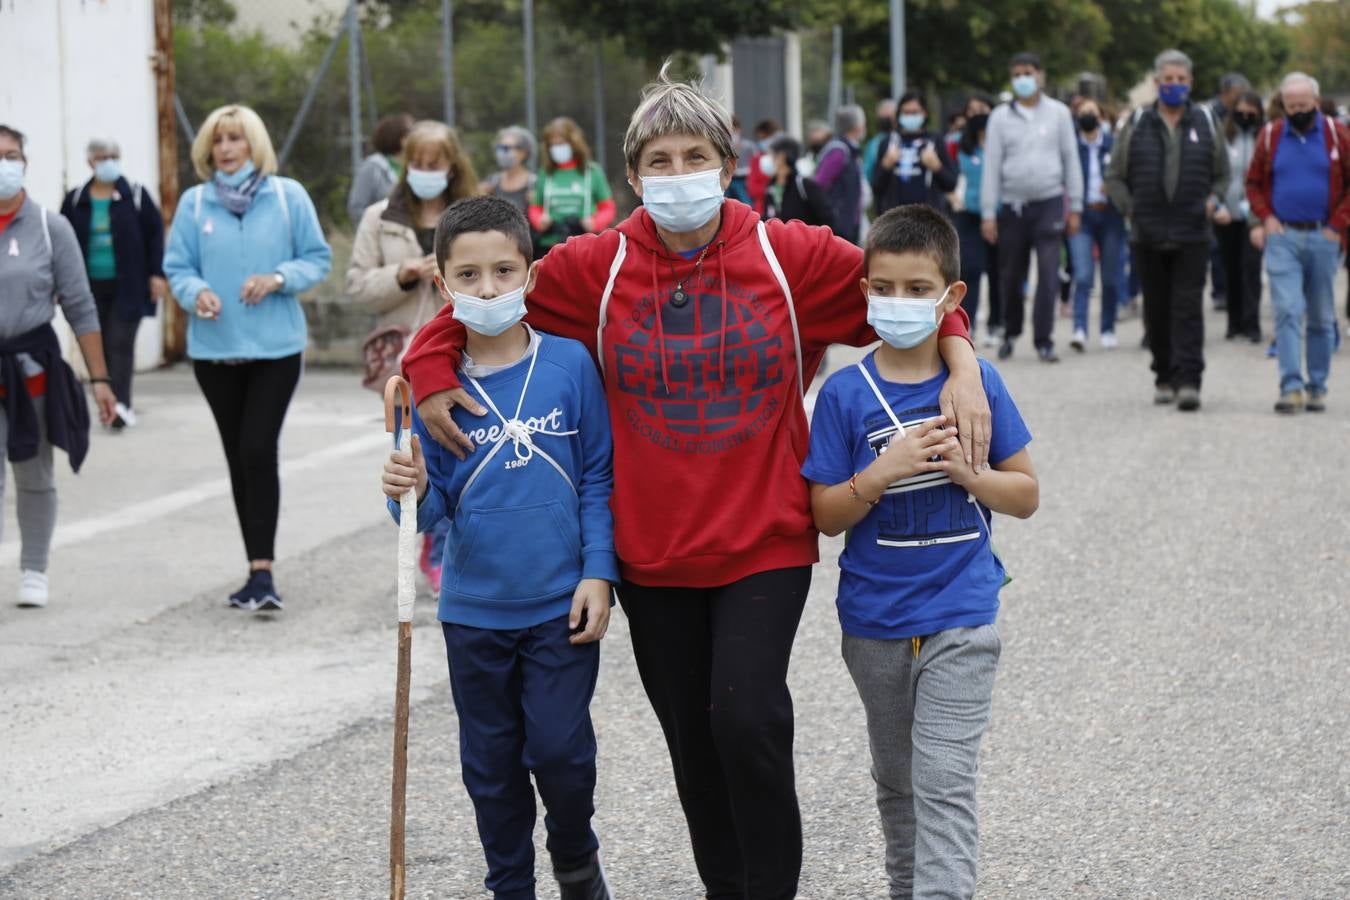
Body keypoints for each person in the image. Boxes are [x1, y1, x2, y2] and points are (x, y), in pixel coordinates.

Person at [400, 64, 993, 899]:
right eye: (661, 161)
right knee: (693, 741)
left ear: (728, 161)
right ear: (633, 177)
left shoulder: (790, 254)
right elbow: (482, 302)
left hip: (766, 538)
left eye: (695, 156)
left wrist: (961, 359)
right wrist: (427, 372)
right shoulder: (594, 267)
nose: (680, 177)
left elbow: (907, 289)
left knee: (747, 719)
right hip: (653, 551)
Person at [381, 196, 616, 900]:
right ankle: (509, 883)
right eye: (471, 276)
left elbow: (599, 473)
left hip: (558, 607)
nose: (489, 289)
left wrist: (599, 571)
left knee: (561, 753)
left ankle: (575, 856)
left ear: (531, 276)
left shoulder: (571, 366)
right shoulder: (432, 394)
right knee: (489, 765)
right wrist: (407, 486)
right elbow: (424, 511)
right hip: (474, 612)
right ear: (445, 286)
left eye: (504, 271)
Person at [802, 205, 1038, 899]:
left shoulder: (978, 386)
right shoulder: (845, 394)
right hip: (874, 621)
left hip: (962, 613)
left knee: (943, 778)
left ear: (951, 296)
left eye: (915, 288)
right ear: (864, 291)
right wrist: (880, 473)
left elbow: (1024, 494)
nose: (896, 303)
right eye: (882, 288)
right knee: (899, 780)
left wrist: (972, 476)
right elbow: (824, 514)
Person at [163, 104, 332, 611]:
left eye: (236, 138)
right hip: (214, 354)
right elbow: (177, 267)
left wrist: (278, 278)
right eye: (219, 141)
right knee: (239, 458)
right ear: (208, 150)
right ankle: (255, 569)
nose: (228, 148)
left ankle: (264, 573)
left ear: (254, 143)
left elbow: (316, 258)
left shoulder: (287, 197)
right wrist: (196, 293)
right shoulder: (194, 206)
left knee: (258, 449)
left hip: (276, 350)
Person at [348, 121, 478, 590]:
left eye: (435, 163)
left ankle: (447, 552)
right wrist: (402, 274)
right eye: (417, 164)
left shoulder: (472, 214)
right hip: (405, 362)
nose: (426, 172)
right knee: (415, 453)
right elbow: (358, 285)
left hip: (463, 356)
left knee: (463, 451)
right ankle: (428, 534)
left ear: (452, 165)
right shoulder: (381, 218)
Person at [0, 124, 117, 608]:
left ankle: (34, 569)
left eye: (10, 154)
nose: (3, 164)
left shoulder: (52, 228)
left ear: (25, 162)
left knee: (33, 474)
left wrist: (101, 380)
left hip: (32, 372)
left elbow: (80, 306)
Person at [1106, 50, 1230, 412]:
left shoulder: (1206, 121)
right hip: (1147, 232)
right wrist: (1130, 207)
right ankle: (1164, 374)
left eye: (1181, 80)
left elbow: (1223, 172)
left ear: (1190, 83)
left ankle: (1189, 380)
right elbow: (1114, 175)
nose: (1174, 86)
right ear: (1157, 82)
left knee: (1188, 307)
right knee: (1157, 310)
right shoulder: (1138, 122)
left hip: (1193, 232)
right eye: (1168, 79)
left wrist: (1214, 198)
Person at [1247, 72, 1350, 414]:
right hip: (1283, 236)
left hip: (1324, 235)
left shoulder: (1338, 135)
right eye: (1291, 106)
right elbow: (1253, 183)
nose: (1298, 111)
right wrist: (1266, 217)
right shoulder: (1271, 135)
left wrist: (1338, 225)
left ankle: (1317, 384)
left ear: (1316, 103)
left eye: (1304, 105)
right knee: (1288, 310)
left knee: (1320, 315)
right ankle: (1290, 385)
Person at [981, 51, 1084, 363]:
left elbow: (1071, 159)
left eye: (1028, 73)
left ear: (1040, 76)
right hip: (1013, 207)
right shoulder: (1000, 116)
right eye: (1017, 74)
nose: (1022, 79)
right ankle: (1011, 333)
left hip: (1050, 202)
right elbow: (992, 165)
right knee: (1011, 274)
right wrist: (989, 212)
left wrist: (1075, 205)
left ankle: (1044, 339)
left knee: (1050, 273)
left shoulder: (1059, 113)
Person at [60, 136, 167, 428]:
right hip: (89, 285)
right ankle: (106, 400)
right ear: (90, 162)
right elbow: (61, 243)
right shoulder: (75, 199)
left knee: (121, 341)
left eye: (113, 156)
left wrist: (157, 274)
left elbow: (155, 235)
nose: (108, 162)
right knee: (101, 343)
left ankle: (121, 405)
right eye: (102, 157)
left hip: (128, 284)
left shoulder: (135, 194)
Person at [1068, 97, 1125, 351]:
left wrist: (1115, 190)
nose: (1086, 116)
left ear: (1101, 115)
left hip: (1111, 215)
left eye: (1091, 112)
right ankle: (1079, 328)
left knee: (1111, 276)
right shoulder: (1071, 147)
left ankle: (1108, 327)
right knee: (1082, 275)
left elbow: (1126, 175)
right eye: (1082, 113)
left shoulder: (1114, 145)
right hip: (1083, 215)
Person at [953, 94, 1002, 347]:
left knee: (998, 271)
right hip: (968, 215)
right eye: (972, 111)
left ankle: (996, 323)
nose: (978, 115)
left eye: (983, 109)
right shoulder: (958, 145)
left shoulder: (1001, 144)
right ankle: (966, 325)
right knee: (970, 269)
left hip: (998, 215)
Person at [1217, 91, 1265, 343]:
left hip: (1254, 216)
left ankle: (1251, 321)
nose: (1245, 116)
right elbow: (1215, 172)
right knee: (1231, 268)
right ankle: (1233, 321)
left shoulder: (1262, 137)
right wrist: (1218, 205)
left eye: (1251, 111)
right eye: (1241, 110)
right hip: (1228, 215)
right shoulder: (1224, 137)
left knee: (1251, 268)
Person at [532, 117, 615, 254]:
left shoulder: (592, 171)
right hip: (550, 245)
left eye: (561, 143)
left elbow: (607, 207)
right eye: (553, 145)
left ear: (574, 143)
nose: (557, 148)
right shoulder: (546, 173)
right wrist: (539, 221)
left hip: (585, 243)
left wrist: (595, 222)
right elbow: (536, 206)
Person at [870, 89, 958, 217]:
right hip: (894, 219)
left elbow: (951, 184)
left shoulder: (935, 141)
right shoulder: (888, 142)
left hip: (928, 219)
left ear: (925, 113)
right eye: (906, 112)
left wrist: (937, 167)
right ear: (899, 114)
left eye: (915, 112)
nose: (910, 116)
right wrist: (886, 166)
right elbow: (876, 186)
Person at [1207, 74, 1251, 312]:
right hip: (1223, 193)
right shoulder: (1214, 114)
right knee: (1218, 249)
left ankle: (1237, 293)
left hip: (1243, 200)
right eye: (1238, 90)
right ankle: (1220, 290)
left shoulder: (1246, 118)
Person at [347, 113, 412, 224]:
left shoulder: (415, 166)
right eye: (410, 134)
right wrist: (383, 224)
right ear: (400, 138)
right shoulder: (372, 166)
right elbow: (356, 208)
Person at [816, 104, 867, 244]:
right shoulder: (839, 151)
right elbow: (819, 183)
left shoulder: (850, 150)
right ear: (858, 126)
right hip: (840, 223)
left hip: (849, 220)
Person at [759, 136, 835, 230]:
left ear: (782, 156)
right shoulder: (771, 187)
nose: (766, 159)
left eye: (771, 154)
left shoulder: (804, 186)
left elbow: (826, 219)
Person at [482, 125, 537, 214]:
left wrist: (538, 203)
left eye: (507, 148)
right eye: (499, 148)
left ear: (524, 152)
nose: (502, 153)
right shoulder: (492, 182)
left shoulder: (534, 184)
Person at [861, 98, 899, 190]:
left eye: (888, 117)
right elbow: (867, 174)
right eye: (882, 118)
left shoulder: (903, 139)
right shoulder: (874, 143)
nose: (885, 121)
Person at [726, 115, 758, 204]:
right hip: (728, 180)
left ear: (739, 129)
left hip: (744, 180)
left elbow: (755, 164)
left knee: (746, 203)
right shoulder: (722, 148)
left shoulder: (748, 146)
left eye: (733, 129)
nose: (731, 133)